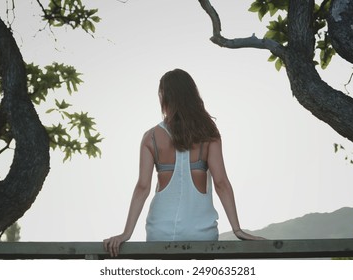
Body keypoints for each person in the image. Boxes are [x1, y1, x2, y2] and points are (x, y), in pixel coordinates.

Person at [103, 69, 264, 257]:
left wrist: (126, 233)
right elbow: (221, 183)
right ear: (192, 95)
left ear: (163, 96)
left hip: (159, 234)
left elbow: (142, 187)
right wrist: (237, 230)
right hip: (200, 234)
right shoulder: (209, 133)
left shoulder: (151, 137)